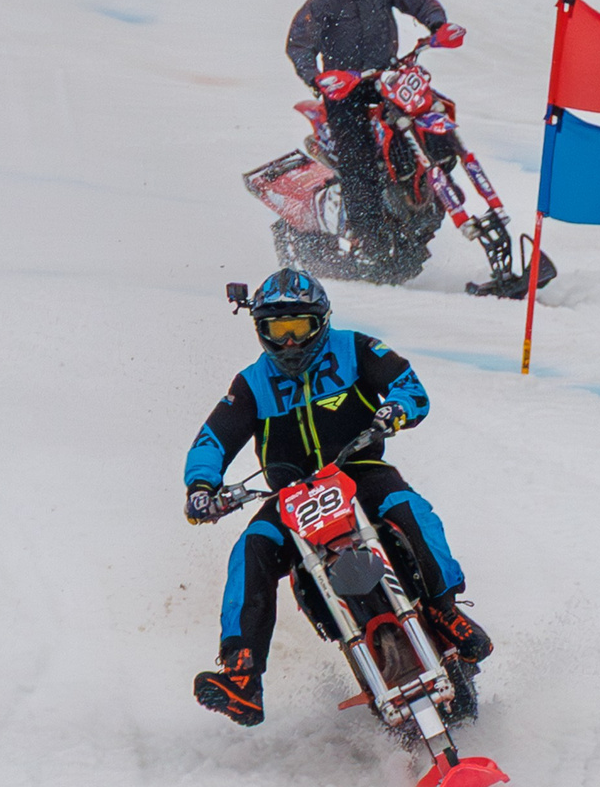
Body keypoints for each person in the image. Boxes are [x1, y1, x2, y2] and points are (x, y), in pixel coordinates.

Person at [182, 266, 492, 726]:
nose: (289, 342)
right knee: (251, 548)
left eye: (298, 328)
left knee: (410, 510)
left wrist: (395, 410)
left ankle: (444, 610)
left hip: (360, 471)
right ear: (260, 331)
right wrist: (201, 487)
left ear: (320, 321)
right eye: (276, 330)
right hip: (290, 495)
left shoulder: (356, 348)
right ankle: (242, 674)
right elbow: (212, 439)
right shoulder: (251, 383)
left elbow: (411, 387)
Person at [284, 0, 466, 254]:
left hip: (388, 79)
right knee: (358, 157)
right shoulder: (323, 2)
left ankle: (439, 188)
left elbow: (420, 0)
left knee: (435, 112)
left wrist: (438, 25)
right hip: (344, 90)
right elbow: (299, 45)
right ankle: (366, 235)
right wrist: (317, 79)